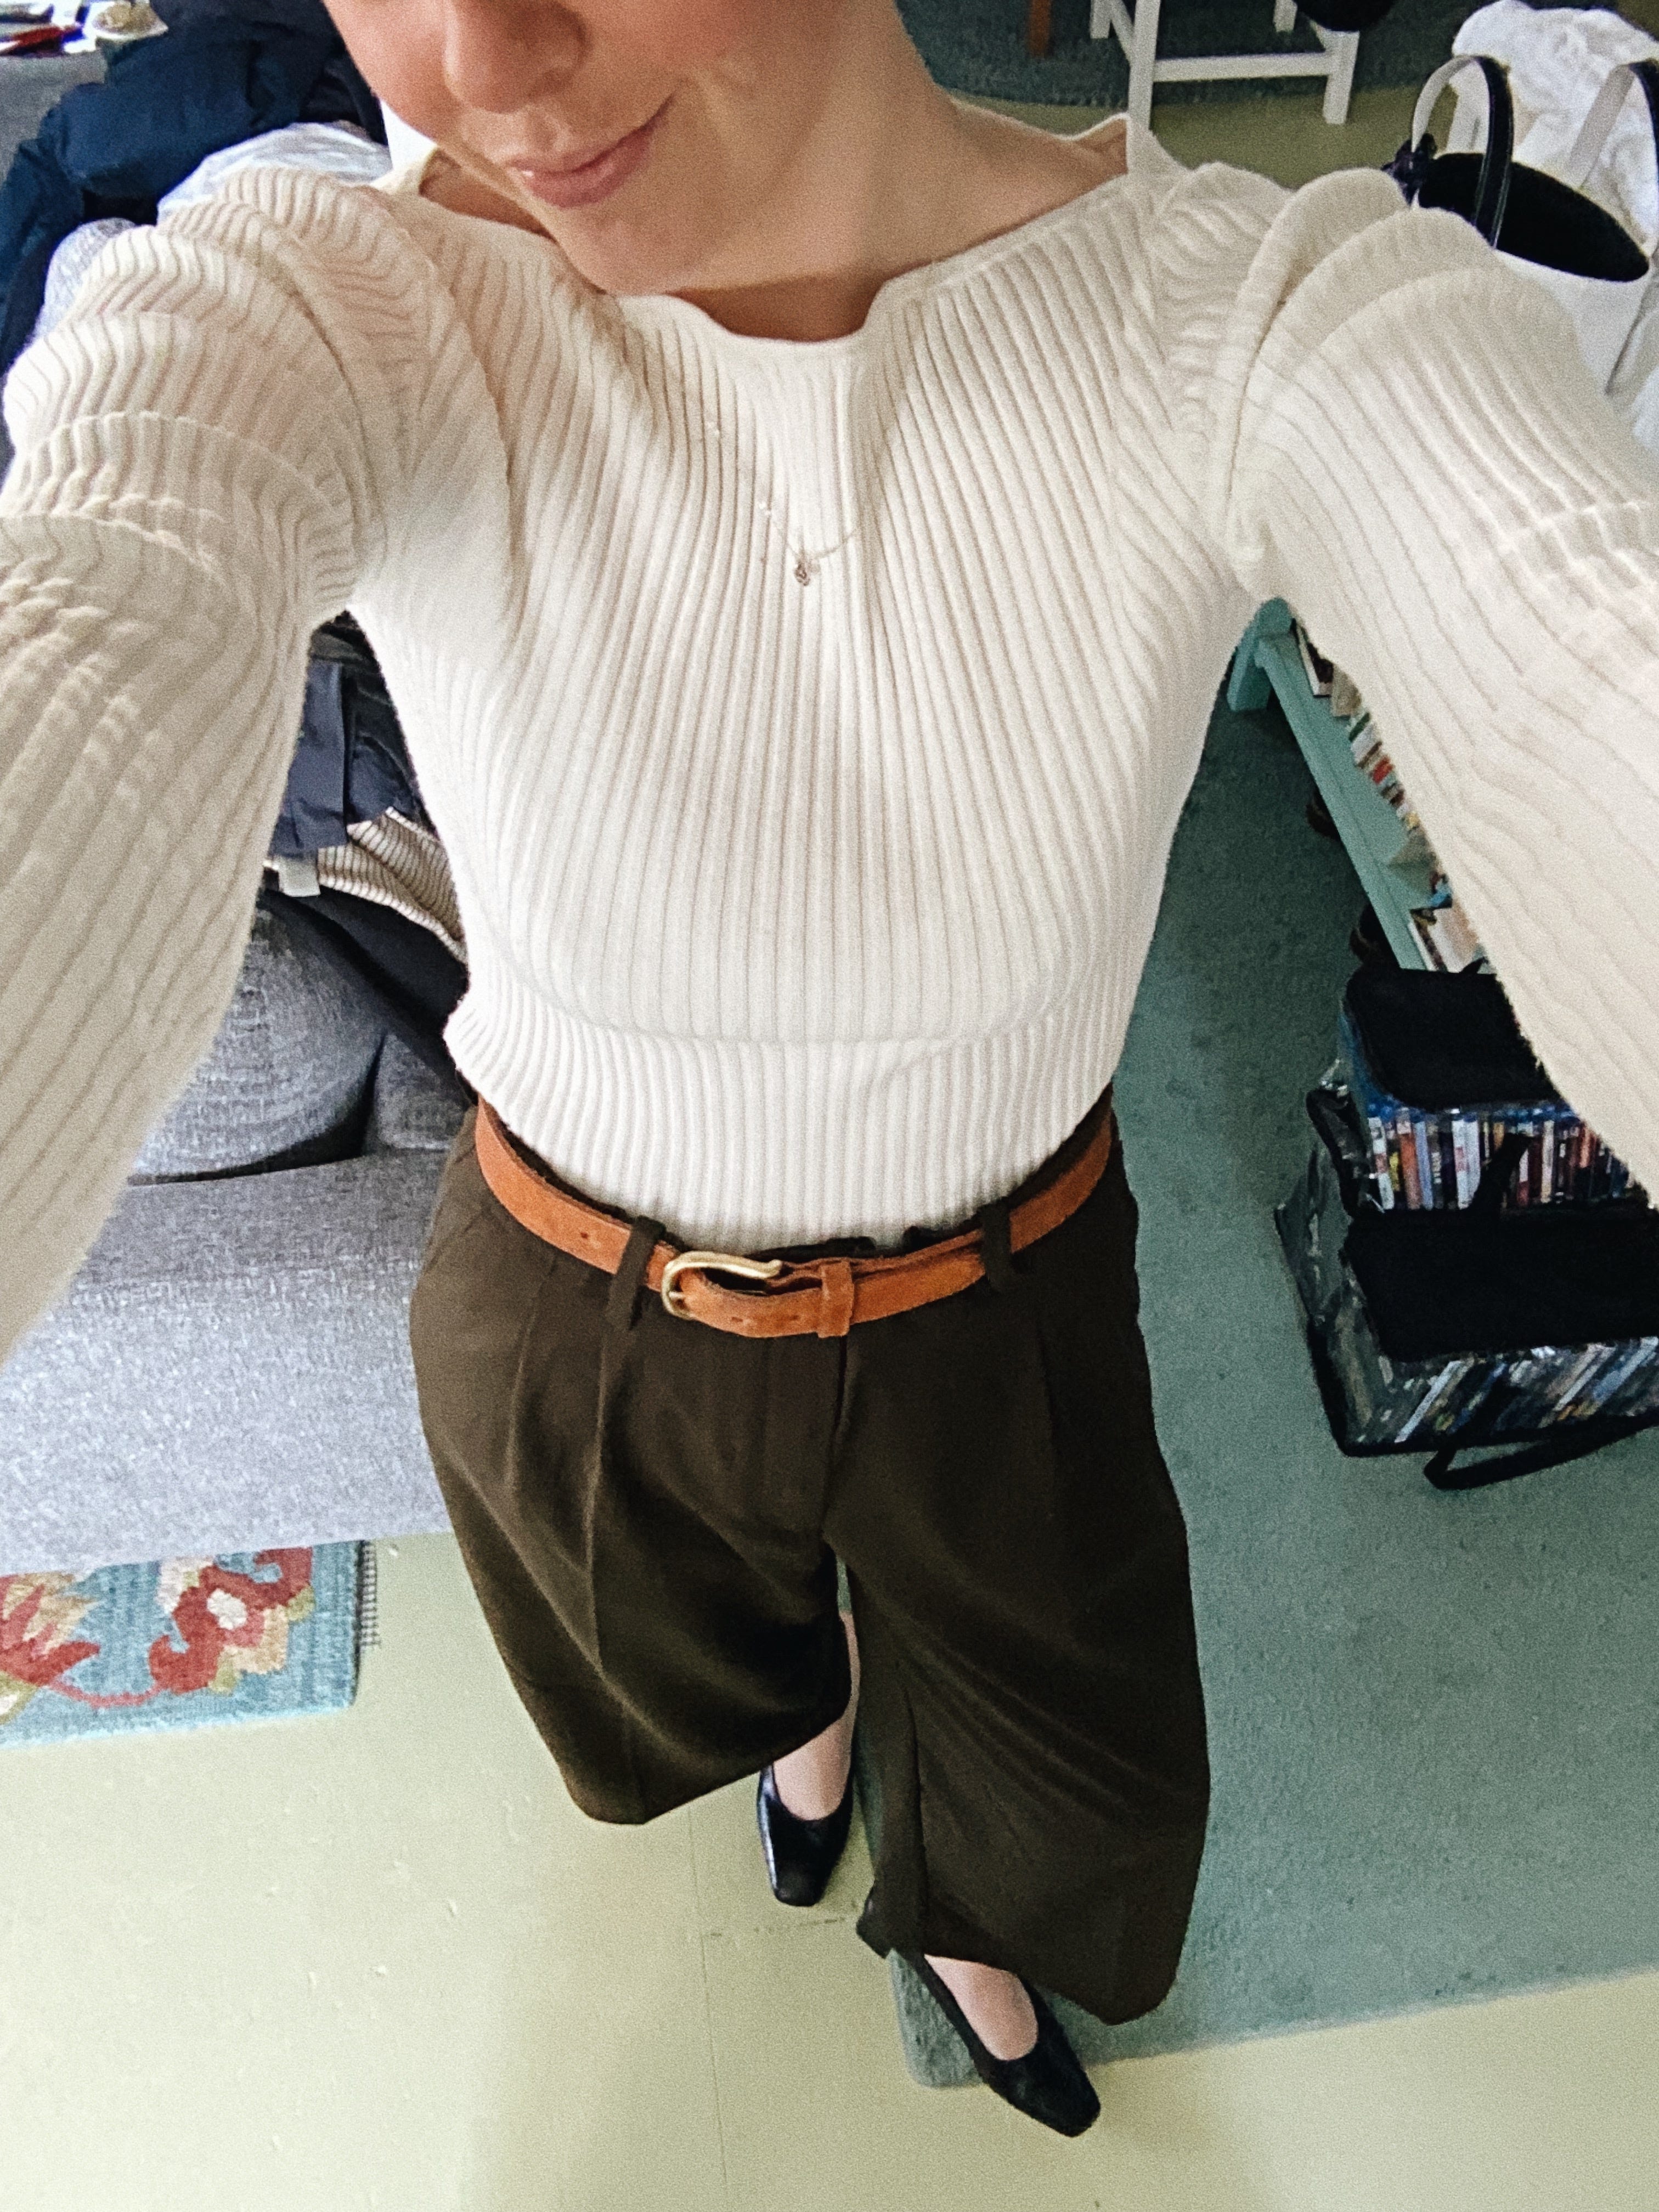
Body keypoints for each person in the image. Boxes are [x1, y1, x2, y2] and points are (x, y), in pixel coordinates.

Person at [3, 0, 1658, 2140]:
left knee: (1083, 1775)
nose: (480, 58)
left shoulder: (1254, 314)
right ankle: (806, 1735)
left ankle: (962, 1916)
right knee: (696, 1675)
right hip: (572, 1312)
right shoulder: (328, 298)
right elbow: (102, 599)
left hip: (1005, 1305)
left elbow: (1572, 644)